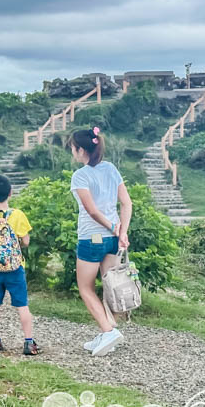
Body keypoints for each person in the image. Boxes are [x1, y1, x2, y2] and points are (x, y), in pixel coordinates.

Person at [69, 127, 133, 356]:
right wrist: (121, 231)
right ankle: (108, 330)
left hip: (91, 238)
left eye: (73, 148)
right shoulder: (111, 169)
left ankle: (108, 331)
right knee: (110, 286)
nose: (72, 152)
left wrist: (112, 227)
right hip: (113, 240)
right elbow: (127, 204)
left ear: (81, 150)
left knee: (86, 288)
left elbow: (93, 211)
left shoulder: (80, 176)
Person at [0, 174, 39, 355]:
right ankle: (28, 343)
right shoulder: (17, 215)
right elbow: (26, 241)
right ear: (11, 193)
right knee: (22, 305)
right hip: (15, 268)